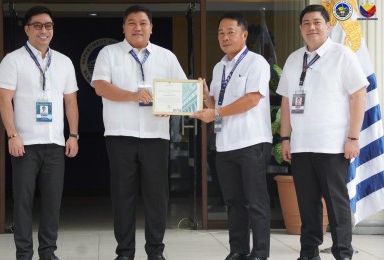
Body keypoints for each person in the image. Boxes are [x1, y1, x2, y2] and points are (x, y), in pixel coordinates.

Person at [91, 5, 186, 260]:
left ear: (151, 27)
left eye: (143, 23)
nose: (137, 27)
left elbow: (183, 91)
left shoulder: (166, 56)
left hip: (156, 136)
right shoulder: (108, 53)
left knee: (157, 197)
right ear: (123, 28)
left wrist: (172, 108)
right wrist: (133, 96)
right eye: (131, 23)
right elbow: (100, 86)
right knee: (123, 197)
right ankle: (124, 253)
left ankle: (156, 251)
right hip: (120, 134)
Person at [276, 5, 368, 260]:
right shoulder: (294, 59)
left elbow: (359, 95)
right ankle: (308, 253)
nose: (312, 27)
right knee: (308, 205)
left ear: (329, 25)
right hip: (302, 145)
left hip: (333, 146)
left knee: (337, 204)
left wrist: (353, 137)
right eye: (306, 23)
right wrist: (285, 138)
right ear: (300, 28)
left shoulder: (343, 55)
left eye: (317, 22)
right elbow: (286, 101)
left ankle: (342, 253)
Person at [0, 6, 79, 260]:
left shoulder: (64, 62)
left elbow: (71, 102)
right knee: (22, 202)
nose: (44, 30)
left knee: (52, 203)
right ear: (27, 29)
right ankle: (23, 253)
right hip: (25, 143)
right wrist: (12, 135)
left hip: (55, 143)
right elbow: (3, 99)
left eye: (49, 26)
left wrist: (73, 135)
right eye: (38, 25)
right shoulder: (13, 60)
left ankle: (48, 252)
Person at [190, 12, 272, 260]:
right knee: (234, 202)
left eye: (230, 32)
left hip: (251, 142)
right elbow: (217, 102)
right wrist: (205, 95)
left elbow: (251, 99)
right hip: (225, 144)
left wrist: (215, 112)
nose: (224, 38)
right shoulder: (219, 66)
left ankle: (259, 253)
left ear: (244, 35)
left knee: (256, 202)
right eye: (221, 33)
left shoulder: (257, 63)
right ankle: (238, 250)